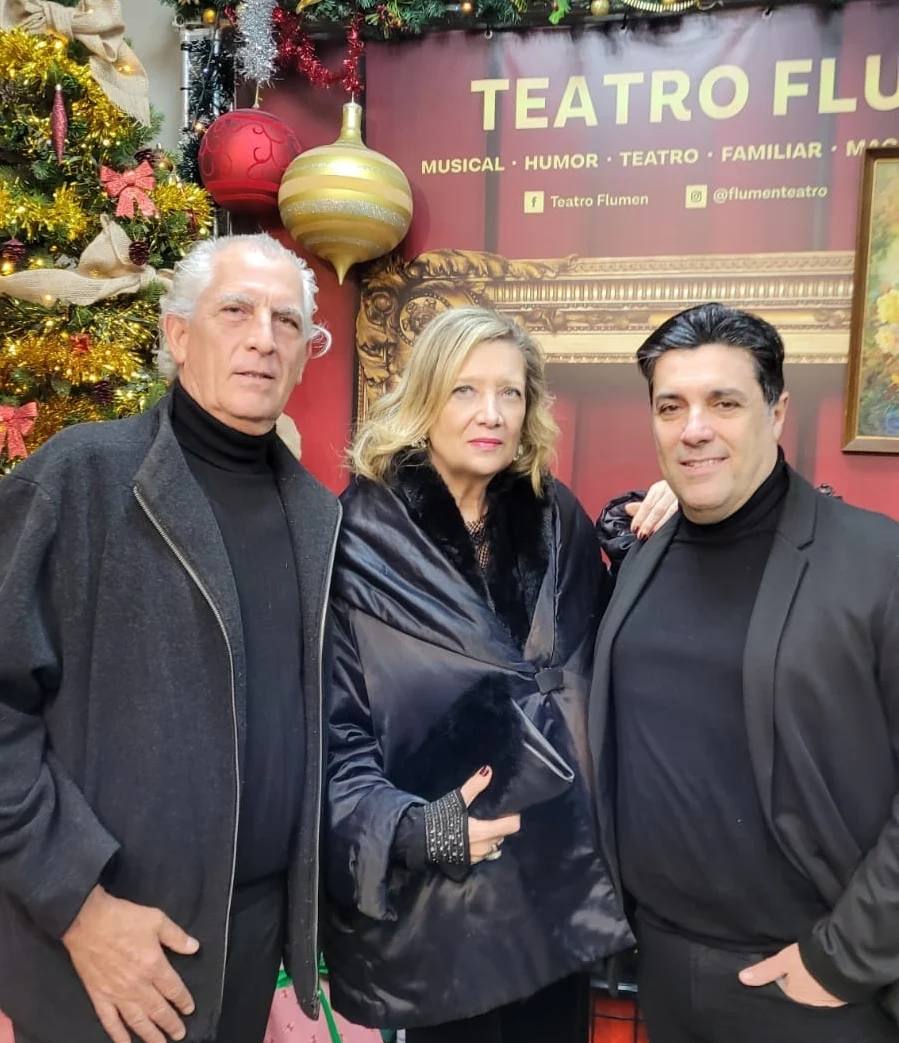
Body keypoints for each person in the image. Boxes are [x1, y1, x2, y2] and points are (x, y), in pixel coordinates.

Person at [0, 234, 341, 1043]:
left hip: (249, 941)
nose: (264, 336)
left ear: (301, 358)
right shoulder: (78, 479)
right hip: (99, 944)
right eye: (237, 310)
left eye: (287, 322)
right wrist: (77, 905)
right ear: (179, 334)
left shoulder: (319, 517)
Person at [322, 307, 674, 1043]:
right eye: (464, 390)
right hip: (446, 903)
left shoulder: (556, 517)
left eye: (509, 393)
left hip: (555, 886)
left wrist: (669, 524)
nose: (490, 414)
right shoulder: (354, 541)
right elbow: (331, 734)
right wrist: (422, 831)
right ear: (422, 397)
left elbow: (619, 655)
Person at [587, 302, 899, 1043]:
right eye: (671, 406)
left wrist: (841, 960)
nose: (694, 427)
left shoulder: (875, 562)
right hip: (660, 968)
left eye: (723, 401)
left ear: (777, 409)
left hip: (814, 984)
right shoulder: (644, 550)